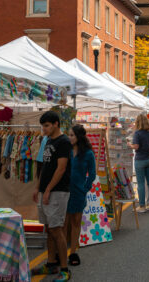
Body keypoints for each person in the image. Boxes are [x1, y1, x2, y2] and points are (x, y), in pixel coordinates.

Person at [32, 111, 72, 281]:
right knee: (49, 228)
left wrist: (47, 189)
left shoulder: (64, 142)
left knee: (57, 229)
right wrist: (38, 187)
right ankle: (51, 264)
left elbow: (61, 168)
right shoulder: (48, 140)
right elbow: (46, 167)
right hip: (46, 190)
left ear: (56, 124)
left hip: (58, 191)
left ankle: (65, 269)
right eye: (43, 126)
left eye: (47, 125)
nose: (44, 129)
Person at [64, 125, 96, 267]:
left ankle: (73, 252)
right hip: (64, 190)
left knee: (76, 222)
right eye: (69, 135)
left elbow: (92, 173)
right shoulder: (66, 150)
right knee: (64, 223)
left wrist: (85, 188)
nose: (69, 138)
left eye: (72, 135)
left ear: (79, 137)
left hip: (78, 192)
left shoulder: (88, 153)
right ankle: (62, 252)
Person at [130, 114, 149, 212]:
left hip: (140, 160)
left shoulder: (137, 133)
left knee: (141, 183)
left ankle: (142, 206)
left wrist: (129, 144)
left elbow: (136, 146)